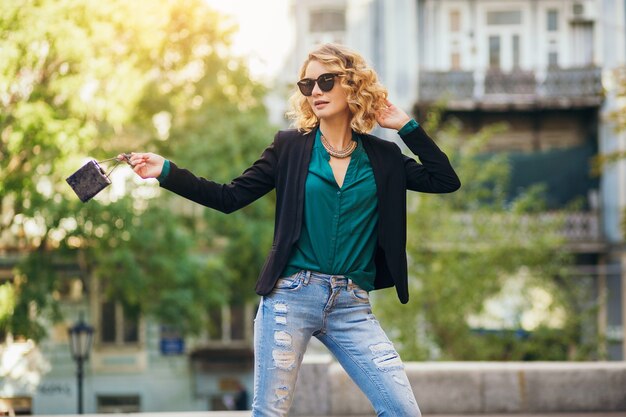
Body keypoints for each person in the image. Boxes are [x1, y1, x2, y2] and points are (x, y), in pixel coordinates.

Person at [123, 43, 460, 417]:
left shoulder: (383, 158)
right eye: (307, 84)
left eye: (326, 81)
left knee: (402, 411)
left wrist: (406, 126)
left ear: (352, 85)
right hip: (290, 298)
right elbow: (228, 197)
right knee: (270, 413)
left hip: (351, 303)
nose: (315, 91)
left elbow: (444, 180)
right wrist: (166, 171)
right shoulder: (290, 148)